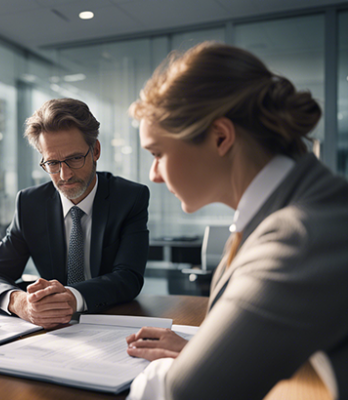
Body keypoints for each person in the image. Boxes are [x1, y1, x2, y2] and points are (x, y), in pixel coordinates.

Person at [125, 42, 348, 400]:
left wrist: (189, 368)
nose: (154, 175)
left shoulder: (298, 238)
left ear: (220, 137)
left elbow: (183, 393)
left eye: (158, 153)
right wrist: (205, 350)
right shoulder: (285, 208)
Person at [0, 98, 150, 329]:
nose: (64, 174)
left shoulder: (129, 198)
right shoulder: (29, 204)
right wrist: (19, 303)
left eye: (75, 158)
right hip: (54, 331)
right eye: (52, 163)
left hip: (113, 323)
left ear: (95, 150)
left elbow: (129, 278)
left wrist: (72, 296)